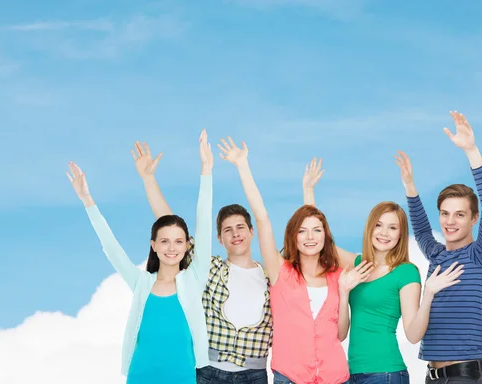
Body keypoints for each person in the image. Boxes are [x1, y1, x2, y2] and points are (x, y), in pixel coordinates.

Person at [65, 129, 213, 383]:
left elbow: (204, 218)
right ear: (153, 245)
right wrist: (87, 200)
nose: (172, 247)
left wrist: (206, 170)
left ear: (188, 245)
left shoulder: (194, 278)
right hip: (140, 376)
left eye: (179, 241)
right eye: (164, 241)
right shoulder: (142, 283)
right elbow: (112, 248)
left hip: (182, 377)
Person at [217, 137, 369, 384]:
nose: (310, 237)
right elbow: (262, 218)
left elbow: (340, 334)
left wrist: (343, 292)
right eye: (302, 231)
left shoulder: (337, 276)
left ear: (325, 236)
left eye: (317, 231)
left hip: (336, 378)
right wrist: (242, 165)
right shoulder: (281, 272)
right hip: (290, 378)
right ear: (293, 237)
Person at [302, 159, 463, 384]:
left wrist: (428, 294)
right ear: (370, 228)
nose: (384, 233)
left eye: (392, 227)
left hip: (386, 373)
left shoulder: (405, 273)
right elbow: (321, 242)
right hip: (352, 373)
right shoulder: (358, 264)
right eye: (379, 225)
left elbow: (413, 334)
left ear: (400, 234)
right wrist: (308, 191)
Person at [131, 135, 271, 384]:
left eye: (240, 227)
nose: (235, 233)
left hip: (255, 373)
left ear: (251, 232)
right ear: (219, 238)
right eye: (227, 230)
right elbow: (171, 226)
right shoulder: (209, 268)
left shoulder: (271, 275)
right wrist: (149, 179)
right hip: (209, 371)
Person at [395, 111, 482, 383]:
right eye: (444, 213)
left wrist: (471, 150)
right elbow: (419, 228)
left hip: (465, 376)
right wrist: (410, 186)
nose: (450, 221)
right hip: (433, 376)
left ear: (474, 218)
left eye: (460, 214)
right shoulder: (437, 255)